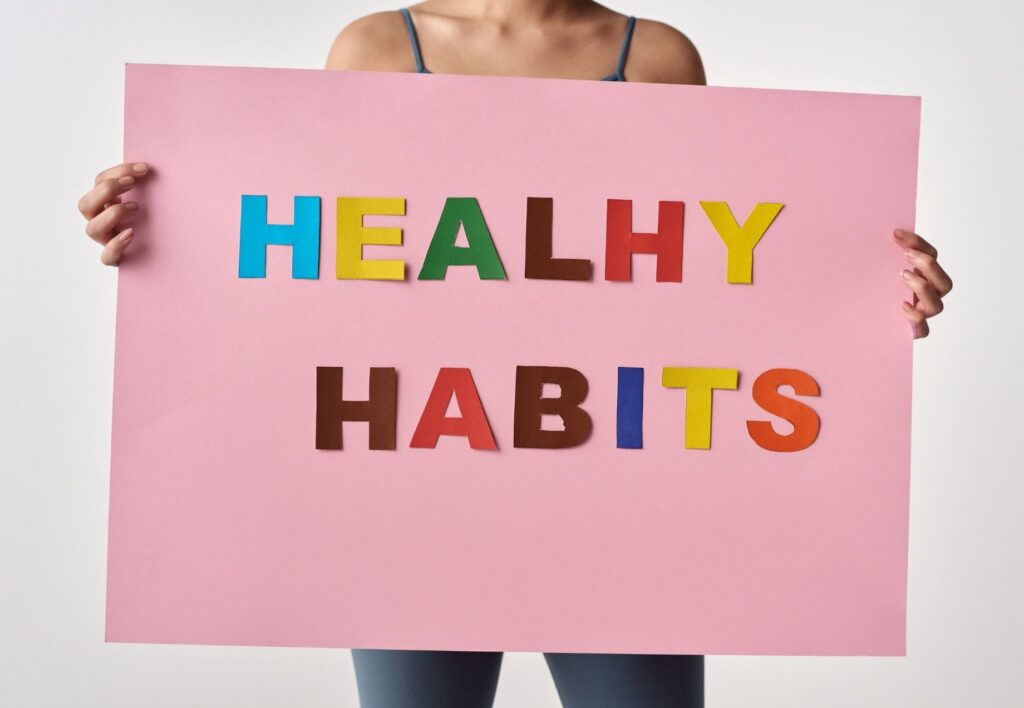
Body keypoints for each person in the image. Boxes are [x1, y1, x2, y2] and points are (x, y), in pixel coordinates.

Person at [76, 2, 953, 706]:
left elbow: (699, 271)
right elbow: (330, 261)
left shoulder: (656, 56)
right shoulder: (376, 46)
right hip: (417, 474)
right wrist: (170, 229)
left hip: (613, 476)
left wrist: (863, 302)